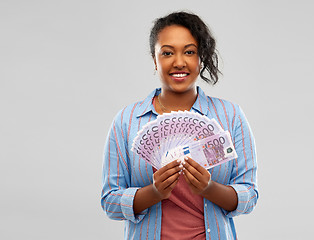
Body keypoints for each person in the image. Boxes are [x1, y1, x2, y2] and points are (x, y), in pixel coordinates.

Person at [101, 11, 258, 240]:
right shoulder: (126, 121)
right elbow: (109, 201)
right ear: (155, 60)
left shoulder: (231, 116)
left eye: (189, 52)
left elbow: (249, 195)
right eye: (167, 53)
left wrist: (209, 188)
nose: (179, 62)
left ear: (200, 58)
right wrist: (153, 193)